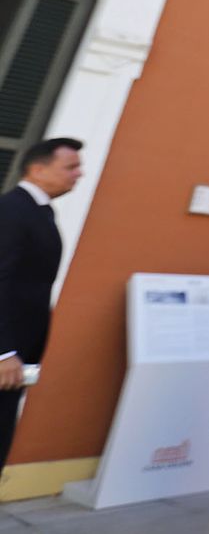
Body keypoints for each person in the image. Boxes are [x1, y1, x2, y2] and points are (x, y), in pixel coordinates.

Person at [0, 138, 82, 473]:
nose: (79, 174)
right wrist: (3, 351)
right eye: (70, 167)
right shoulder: (12, 210)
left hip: (18, 359)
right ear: (37, 169)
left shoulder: (37, 211)